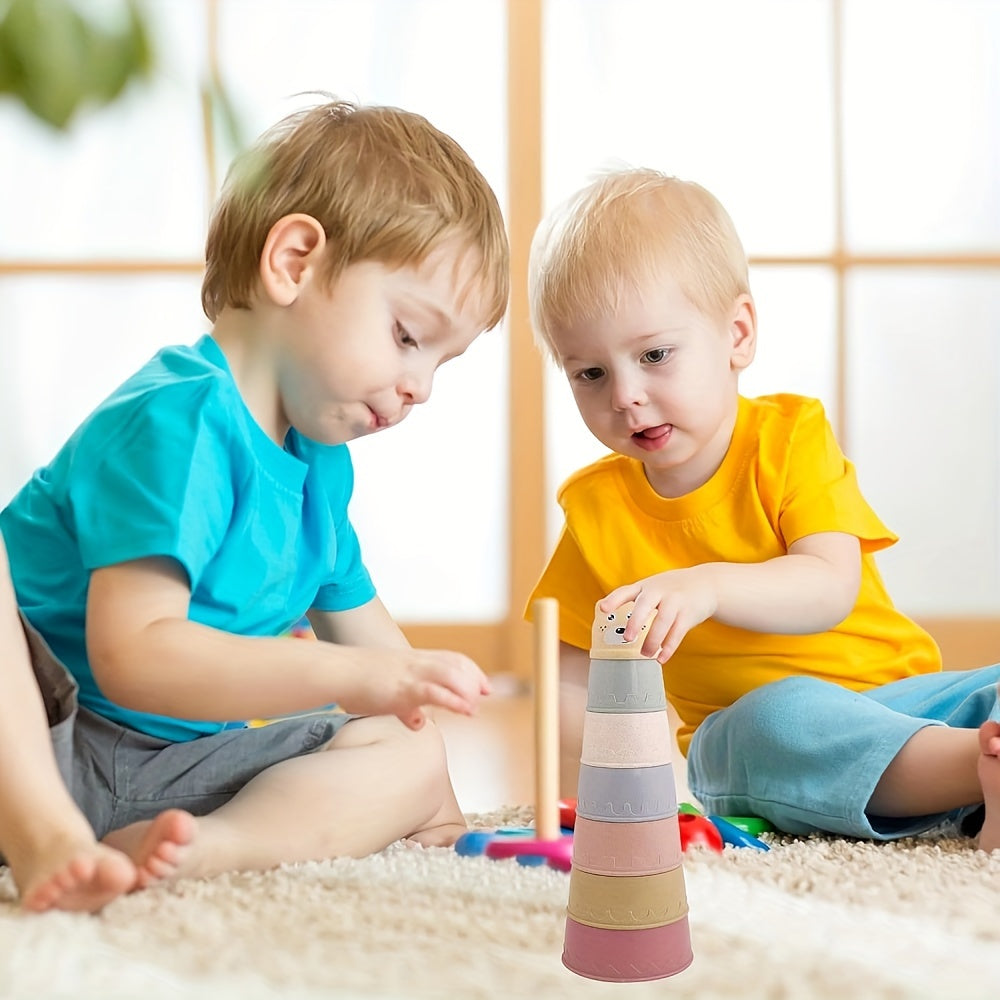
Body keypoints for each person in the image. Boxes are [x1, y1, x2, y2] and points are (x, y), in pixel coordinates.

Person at [0, 97, 509, 912]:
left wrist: (430, 790)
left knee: (405, 751)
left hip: (169, 773)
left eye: (441, 365)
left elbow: (390, 670)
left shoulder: (320, 466)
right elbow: (135, 655)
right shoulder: (177, 418)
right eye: (409, 337)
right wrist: (357, 676)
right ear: (295, 261)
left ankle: (207, 849)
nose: (420, 387)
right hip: (41, 741)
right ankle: (44, 834)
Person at [525, 166, 1000, 851]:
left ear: (738, 334)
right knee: (773, 718)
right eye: (590, 373)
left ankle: (969, 770)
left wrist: (709, 586)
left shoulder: (789, 439)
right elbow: (571, 681)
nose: (625, 396)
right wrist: (586, 797)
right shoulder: (596, 509)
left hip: (905, 703)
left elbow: (829, 586)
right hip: (751, 744)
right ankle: (975, 771)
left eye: (654, 354)